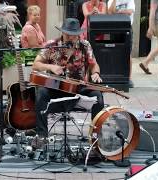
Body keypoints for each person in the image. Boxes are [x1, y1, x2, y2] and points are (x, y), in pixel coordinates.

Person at [32, 18, 104, 148]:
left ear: (78, 33)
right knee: (41, 93)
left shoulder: (85, 45)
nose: (70, 37)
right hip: (56, 88)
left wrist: (96, 73)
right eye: (67, 33)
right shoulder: (52, 45)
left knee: (98, 96)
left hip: (78, 88)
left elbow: (94, 65)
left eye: (73, 34)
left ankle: (95, 135)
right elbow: (36, 65)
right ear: (62, 32)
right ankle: (42, 135)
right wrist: (51, 67)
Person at [108, 0, 135, 88]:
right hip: (114, 28)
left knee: (128, 53)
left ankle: (129, 78)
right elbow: (110, 12)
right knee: (113, 52)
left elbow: (130, 12)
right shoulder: (111, 1)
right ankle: (114, 76)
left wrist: (118, 11)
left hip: (127, 28)